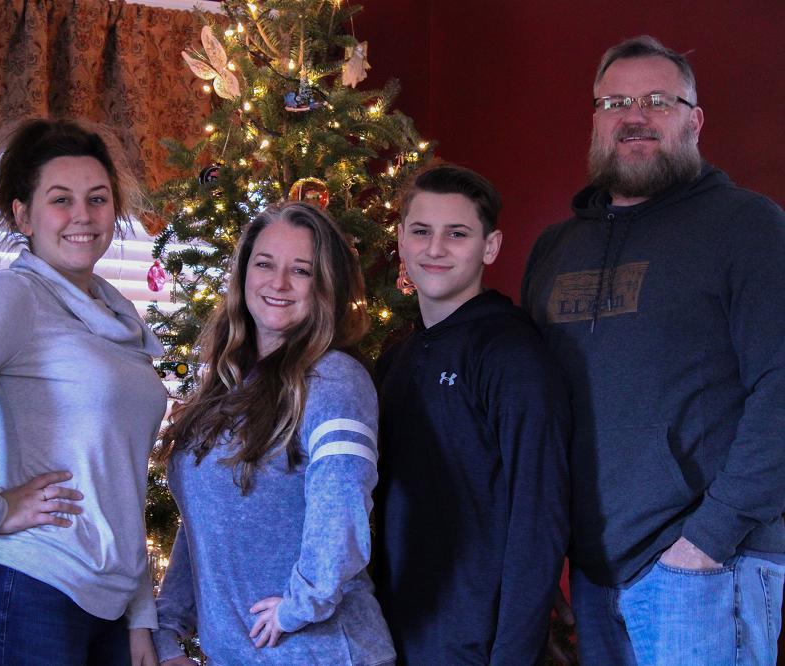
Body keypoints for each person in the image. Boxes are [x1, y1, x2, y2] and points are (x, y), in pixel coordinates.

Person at [522, 35, 785, 665]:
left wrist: (706, 543)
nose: (633, 115)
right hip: (591, 574)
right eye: (615, 101)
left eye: (657, 100)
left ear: (695, 120)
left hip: (709, 567)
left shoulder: (749, 226)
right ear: (595, 119)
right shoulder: (555, 250)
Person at [0, 119, 164, 665]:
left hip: (107, 604)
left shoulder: (117, 315)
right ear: (23, 214)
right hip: (22, 587)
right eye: (60, 199)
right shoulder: (18, 294)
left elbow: (120, 475)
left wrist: (141, 615)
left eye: (97, 198)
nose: (83, 216)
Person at [151, 202, 396, 665]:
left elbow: (343, 501)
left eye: (301, 271)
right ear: (244, 275)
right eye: (264, 264)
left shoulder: (334, 380)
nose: (278, 283)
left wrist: (300, 605)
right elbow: (203, 519)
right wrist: (168, 625)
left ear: (327, 286)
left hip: (321, 653)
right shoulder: (227, 385)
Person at [373, 164, 571, 665]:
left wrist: (512, 656)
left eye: (456, 234)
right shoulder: (396, 359)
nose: (435, 249)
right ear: (401, 240)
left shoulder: (510, 354)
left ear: (490, 246)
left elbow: (539, 515)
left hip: (473, 644)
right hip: (388, 634)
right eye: (421, 231)